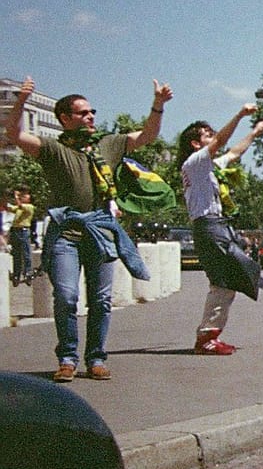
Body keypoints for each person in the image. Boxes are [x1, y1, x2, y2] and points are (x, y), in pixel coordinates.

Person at [5, 76, 168, 382]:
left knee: (101, 300)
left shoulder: (108, 144)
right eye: (83, 113)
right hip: (66, 234)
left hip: (101, 231)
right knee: (66, 296)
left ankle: (96, 358)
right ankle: (67, 358)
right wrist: (21, 100)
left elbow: (148, 134)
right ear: (65, 119)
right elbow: (14, 133)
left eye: (92, 112)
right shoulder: (52, 148)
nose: (91, 116)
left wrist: (158, 104)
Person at [177, 104, 263, 354]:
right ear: (195, 144)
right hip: (209, 226)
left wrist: (255, 132)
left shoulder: (206, 166)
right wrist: (240, 115)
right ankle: (206, 337)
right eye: (207, 135)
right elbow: (221, 141)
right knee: (222, 282)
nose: (213, 136)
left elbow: (234, 152)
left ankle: (210, 334)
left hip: (215, 226)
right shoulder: (194, 162)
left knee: (228, 281)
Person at [6, 187, 33, 286]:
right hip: (16, 231)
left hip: (24, 231)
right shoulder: (18, 208)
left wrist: (16, 196)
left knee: (26, 253)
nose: (23, 197)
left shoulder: (29, 207)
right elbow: (10, 208)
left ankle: (28, 273)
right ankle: (16, 274)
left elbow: (20, 206)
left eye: (25, 195)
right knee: (16, 254)